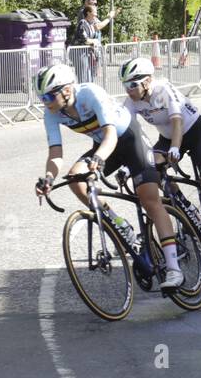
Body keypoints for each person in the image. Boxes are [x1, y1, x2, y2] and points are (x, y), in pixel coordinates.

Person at [31, 63, 184, 290]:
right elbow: (55, 152)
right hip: (103, 145)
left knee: (149, 201)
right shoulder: (52, 113)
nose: (46, 102)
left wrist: (99, 159)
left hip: (128, 139)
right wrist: (49, 179)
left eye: (48, 96)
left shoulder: (90, 93)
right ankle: (120, 225)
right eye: (41, 98)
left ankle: (174, 269)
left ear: (66, 90)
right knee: (76, 179)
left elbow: (110, 134)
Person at [118, 57, 201, 267]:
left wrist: (176, 148)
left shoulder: (163, 90)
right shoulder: (131, 102)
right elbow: (126, 134)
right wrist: (125, 165)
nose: (128, 90)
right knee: (152, 173)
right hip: (167, 139)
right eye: (125, 85)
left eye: (132, 84)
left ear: (148, 81)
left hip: (195, 133)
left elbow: (177, 121)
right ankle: (182, 204)